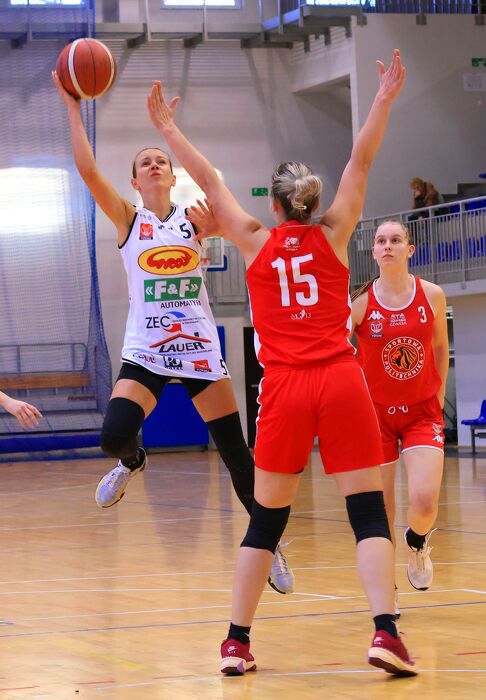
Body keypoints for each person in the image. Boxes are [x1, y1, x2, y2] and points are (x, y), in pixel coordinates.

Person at [147, 50, 418, 677]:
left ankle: (236, 643)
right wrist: (382, 98)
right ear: (310, 201)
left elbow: (206, 177)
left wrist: (168, 129)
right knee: (368, 514)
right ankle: (386, 632)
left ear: (274, 205)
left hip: (286, 387)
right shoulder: (336, 231)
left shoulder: (252, 239)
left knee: (266, 521)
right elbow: (361, 160)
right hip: (342, 380)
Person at [51, 71, 294, 596]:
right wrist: (73, 105)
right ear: (135, 182)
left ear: (172, 175)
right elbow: (87, 169)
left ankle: (270, 543)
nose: (155, 164)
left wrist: (216, 227)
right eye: (145, 162)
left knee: (238, 456)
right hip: (147, 349)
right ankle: (132, 462)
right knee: (114, 436)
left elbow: (235, 217)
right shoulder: (128, 220)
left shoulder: (197, 219)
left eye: (161, 160)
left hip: (199, 347)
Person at [351, 220, 449, 614]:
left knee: (424, 502)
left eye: (395, 240)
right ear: (374, 252)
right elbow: (339, 355)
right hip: (373, 416)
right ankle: (387, 593)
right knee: (383, 511)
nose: (387, 246)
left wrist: (437, 395)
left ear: (410, 250)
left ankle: (418, 541)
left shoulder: (432, 295)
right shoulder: (360, 304)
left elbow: (440, 347)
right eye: (381, 241)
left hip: (421, 413)